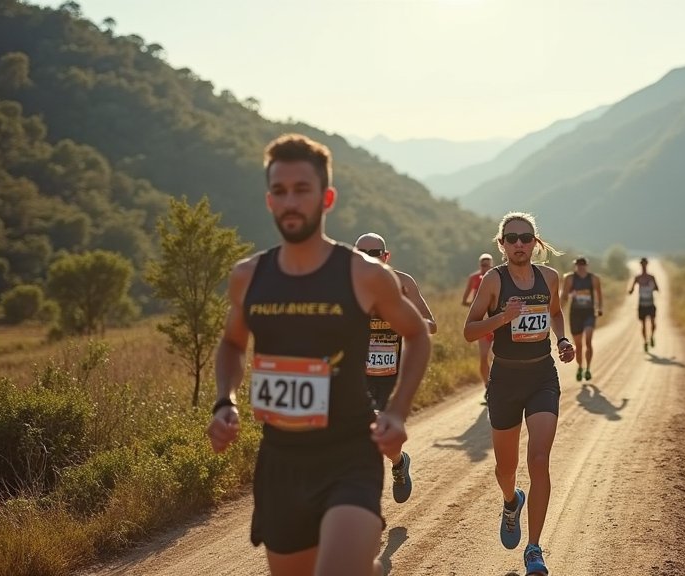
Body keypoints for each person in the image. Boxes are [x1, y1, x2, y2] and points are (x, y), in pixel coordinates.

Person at [205, 133, 431, 576]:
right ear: (269, 200)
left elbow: (418, 334)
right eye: (279, 191)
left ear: (326, 198)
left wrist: (399, 411)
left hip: (348, 454)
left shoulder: (364, 274)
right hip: (280, 463)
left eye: (302, 190)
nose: (290, 201)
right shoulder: (248, 276)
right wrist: (223, 401)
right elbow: (232, 343)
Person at [463, 212, 575, 576]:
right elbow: (469, 330)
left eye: (525, 237)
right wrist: (501, 318)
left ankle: (534, 548)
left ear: (535, 241)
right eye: (511, 239)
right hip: (506, 381)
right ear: (502, 244)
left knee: (539, 459)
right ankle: (511, 502)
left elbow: (555, 312)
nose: (519, 244)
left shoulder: (549, 277)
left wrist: (561, 338)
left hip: (543, 375)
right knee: (505, 469)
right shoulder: (494, 281)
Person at [355, 232, 437, 505]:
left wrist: (404, 322)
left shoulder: (403, 283)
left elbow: (431, 324)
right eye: (362, 252)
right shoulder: (347, 285)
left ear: (386, 257)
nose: (368, 257)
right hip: (358, 375)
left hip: (393, 375)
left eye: (375, 253)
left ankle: (399, 464)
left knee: (388, 441)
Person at [560, 256, 603, 382]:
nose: (580, 267)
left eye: (583, 265)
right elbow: (564, 296)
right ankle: (580, 367)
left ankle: (588, 368)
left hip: (589, 313)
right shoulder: (569, 278)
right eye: (578, 265)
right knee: (578, 345)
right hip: (575, 314)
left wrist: (599, 308)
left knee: (588, 341)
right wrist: (558, 310)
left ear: (586, 266)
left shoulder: (594, 279)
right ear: (576, 266)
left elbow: (599, 294)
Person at [462, 253, 495, 396]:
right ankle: (487, 386)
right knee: (483, 356)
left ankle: (496, 384)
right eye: (483, 264)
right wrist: (477, 307)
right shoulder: (473, 278)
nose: (485, 267)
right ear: (479, 265)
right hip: (482, 324)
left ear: (492, 265)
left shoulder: (497, 277)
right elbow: (464, 300)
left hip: (497, 322)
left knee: (496, 356)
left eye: (487, 265)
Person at [628, 257, 659, 351]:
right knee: (643, 324)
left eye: (645, 264)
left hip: (650, 303)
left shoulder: (651, 277)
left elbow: (657, 288)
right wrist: (631, 291)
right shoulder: (637, 278)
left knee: (653, 323)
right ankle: (645, 342)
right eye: (642, 264)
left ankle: (652, 337)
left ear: (647, 265)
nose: (644, 266)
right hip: (642, 304)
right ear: (641, 265)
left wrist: (651, 286)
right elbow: (631, 289)